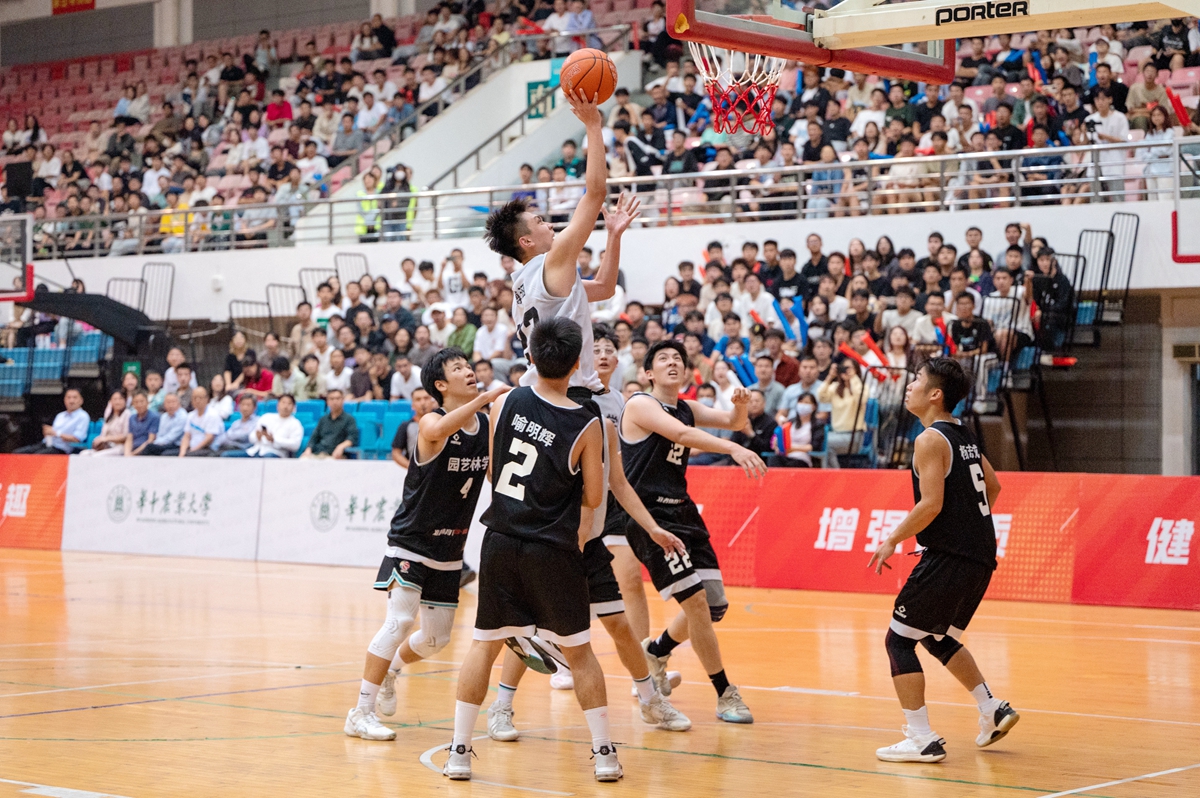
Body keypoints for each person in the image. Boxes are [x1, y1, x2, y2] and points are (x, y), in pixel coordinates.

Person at [487, 325, 690, 741]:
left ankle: (651, 700)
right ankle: (502, 706)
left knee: (617, 624)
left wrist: (652, 528)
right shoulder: (566, 423)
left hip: (588, 544)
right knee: (529, 630)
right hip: (550, 544)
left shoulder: (605, 427)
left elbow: (620, 486)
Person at [444, 317, 619, 782]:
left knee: (483, 646)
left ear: (532, 358)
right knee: (579, 653)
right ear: (577, 363)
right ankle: (604, 754)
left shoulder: (506, 401)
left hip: (499, 540)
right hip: (551, 548)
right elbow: (595, 497)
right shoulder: (586, 422)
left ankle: (459, 751)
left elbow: (493, 468)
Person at [346, 348, 509, 742]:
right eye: (459, 369)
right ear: (440, 384)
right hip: (411, 541)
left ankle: (392, 671)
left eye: (470, 366)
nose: (470, 372)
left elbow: (494, 476)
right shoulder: (431, 421)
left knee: (437, 639)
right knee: (400, 621)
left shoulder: (483, 426)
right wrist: (487, 398)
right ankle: (359, 712)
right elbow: (435, 434)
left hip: (450, 549)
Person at [868, 358, 1018, 763]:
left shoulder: (930, 439)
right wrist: (964, 525)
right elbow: (994, 485)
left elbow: (931, 504)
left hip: (951, 558)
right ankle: (992, 708)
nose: (909, 385)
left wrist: (890, 541)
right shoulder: (964, 434)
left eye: (916, 380)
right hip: (979, 557)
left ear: (935, 394)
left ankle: (921, 738)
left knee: (899, 641)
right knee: (936, 636)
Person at [620, 340, 767, 724]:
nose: (673, 363)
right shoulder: (640, 404)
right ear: (648, 372)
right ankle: (725, 693)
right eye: (663, 359)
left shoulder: (687, 407)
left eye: (678, 360)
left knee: (714, 605)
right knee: (697, 603)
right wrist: (733, 451)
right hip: (649, 517)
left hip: (684, 512)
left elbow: (736, 424)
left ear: (686, 372)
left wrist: (738, 404)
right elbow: (683, 436)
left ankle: (655, 651)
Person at [485, 89, 636, 406]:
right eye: (540, 221)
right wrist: (593, 126)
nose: (549, 225)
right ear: (525, 241)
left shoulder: (526, 284)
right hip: (566, 395)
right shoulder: (550, 264)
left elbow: (606, 288)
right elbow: (594, 194)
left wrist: (614, 235)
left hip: (541, 393)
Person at [817, 359, 867, 468]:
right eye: (844, 368)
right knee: (819, 441)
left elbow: (861, 399)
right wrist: (830, 376)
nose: (847, 371)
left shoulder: (862, 387)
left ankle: (835, 475)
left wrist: (853, 378)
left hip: (854, 435)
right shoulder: (835, 388)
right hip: (836, 433)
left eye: (850, 368)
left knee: (826, 444)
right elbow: (821, 396)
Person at [15, 388, 89, 454]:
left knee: (37, 457)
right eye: (68, 398)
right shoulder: (60, 415)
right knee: (18, 453)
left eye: (75, 397)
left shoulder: (83, 416)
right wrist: (48, 433)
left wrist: (56, 433)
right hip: (47, 444)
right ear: (64, 400)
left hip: (62, 449)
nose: (71, 401)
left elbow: (77, 438)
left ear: (81, 400)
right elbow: (52, 433)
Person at [239, 393, 304, 458]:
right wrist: (257, 436)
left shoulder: (295, 424)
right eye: (283, 403)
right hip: (256, 450)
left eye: (289, 404)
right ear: (278, 405)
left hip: (277, 453)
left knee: (266, 458)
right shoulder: (266, 417)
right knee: (230, 456)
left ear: (293, 407)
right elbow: (251, 437)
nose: (285, 406)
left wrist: (274, 440)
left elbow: (295, 445)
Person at [301, 389, 359, 459]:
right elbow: (314, 437)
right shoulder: (323, 419)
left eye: (338, 398)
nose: (335, 401)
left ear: (343, 400)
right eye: (332, 399)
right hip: (319, 453)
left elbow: (352, 438)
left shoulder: (349, 419)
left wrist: (341, 446)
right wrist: (308, 449)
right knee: (303, 460)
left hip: (336, 455)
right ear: (327, 402)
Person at [178, 387, 224, 457]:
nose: (197, 400)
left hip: (209, 448)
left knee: (189, 456)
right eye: (195, 398)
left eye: (200, 397)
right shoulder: (191, 415)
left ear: (207, 399)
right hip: (192, 448)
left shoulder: (213, 415)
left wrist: (193, 450)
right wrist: (182, 452)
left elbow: (209, 438)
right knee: (169, 454)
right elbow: (187, 436)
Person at [124, 391, 160, 456]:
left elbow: (150, 440)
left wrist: (133, 454)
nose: (139, 404)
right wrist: (127, 453)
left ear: (147, 402)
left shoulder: (154, 417)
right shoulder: (131, 418)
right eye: (136, 402)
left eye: (142, 401)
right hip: (133, 448)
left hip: (145, 450)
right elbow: (129, 437)